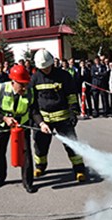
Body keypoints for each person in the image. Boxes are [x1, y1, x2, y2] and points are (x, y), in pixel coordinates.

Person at [30, 49, 86, 181]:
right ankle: (40, 166)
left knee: (72, 144)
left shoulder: (64, 76)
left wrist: (73, 112)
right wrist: (38, 121)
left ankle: (79, 169)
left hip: (63, 117)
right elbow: (32, 103)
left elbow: (72, 95)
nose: (46, 69)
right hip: (44, 120)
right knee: (40, 145)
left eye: (48, 66)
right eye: (43, 68)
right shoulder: (35, 78)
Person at [0, 65, 41, 193]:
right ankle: (0, 177)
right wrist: (4, 118)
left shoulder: (30, 91)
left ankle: (27, 182)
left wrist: (41, 123)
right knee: (0, 152)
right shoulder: (0, 88)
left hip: (22, 126)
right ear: (13, 82)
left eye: (26, 84)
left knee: (26, 153)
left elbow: (34, 111)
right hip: (2, 126)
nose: (24, 88)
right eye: (21, 85)